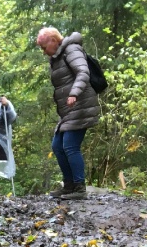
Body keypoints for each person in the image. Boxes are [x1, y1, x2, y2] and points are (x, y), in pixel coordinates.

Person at [36, 26, 100, 200]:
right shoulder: (57, 57)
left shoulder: (71, 49)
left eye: (43, 47)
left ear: (53, 40)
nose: (43, 52)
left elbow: (83, 72)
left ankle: (79, 188)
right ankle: (69, 185)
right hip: (69, 111)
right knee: (58, 146)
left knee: (70, 146)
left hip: (81, 105)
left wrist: (74, 93)